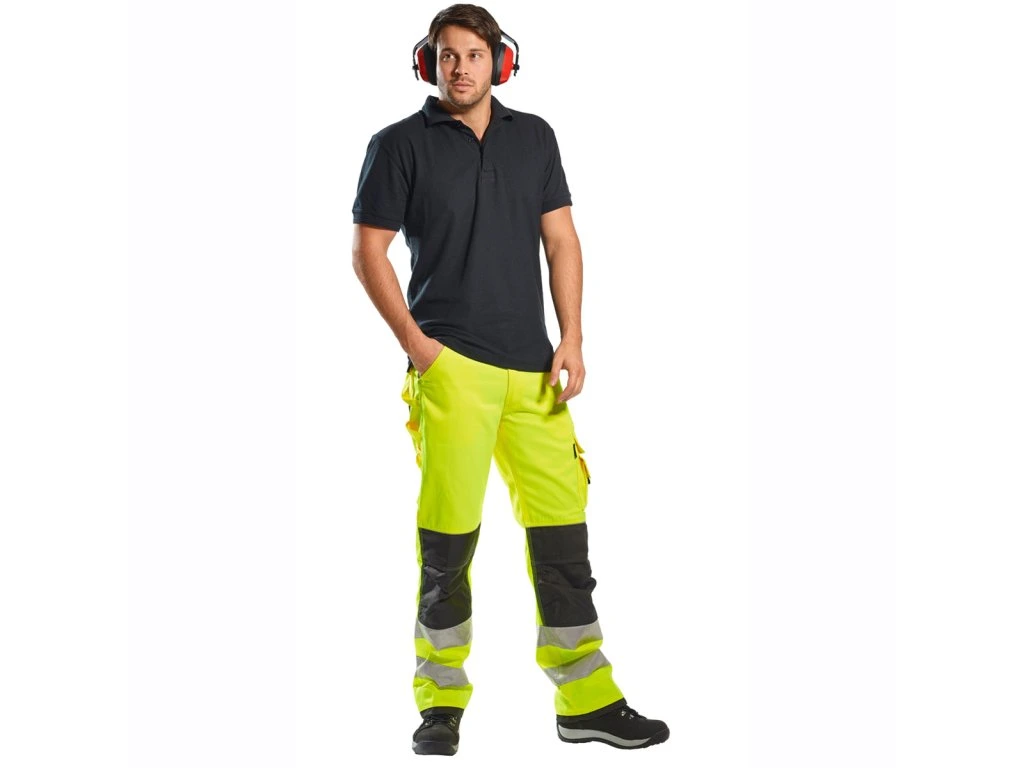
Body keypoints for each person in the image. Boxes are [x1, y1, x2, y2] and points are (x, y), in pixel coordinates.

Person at [350, 4, 669, 756]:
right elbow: (368, 251)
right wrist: (419, 348)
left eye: (473, 54)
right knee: (448, 546)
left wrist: (573, 337)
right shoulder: (398, 145)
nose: (460, 67)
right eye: (446, 55)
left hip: (535, 373)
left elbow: (561, 240)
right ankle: (440, 703)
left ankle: (586, 701)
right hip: (452, 369)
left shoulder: (536, 138)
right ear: (427, 63)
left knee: (564, 539)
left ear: (501, 61)